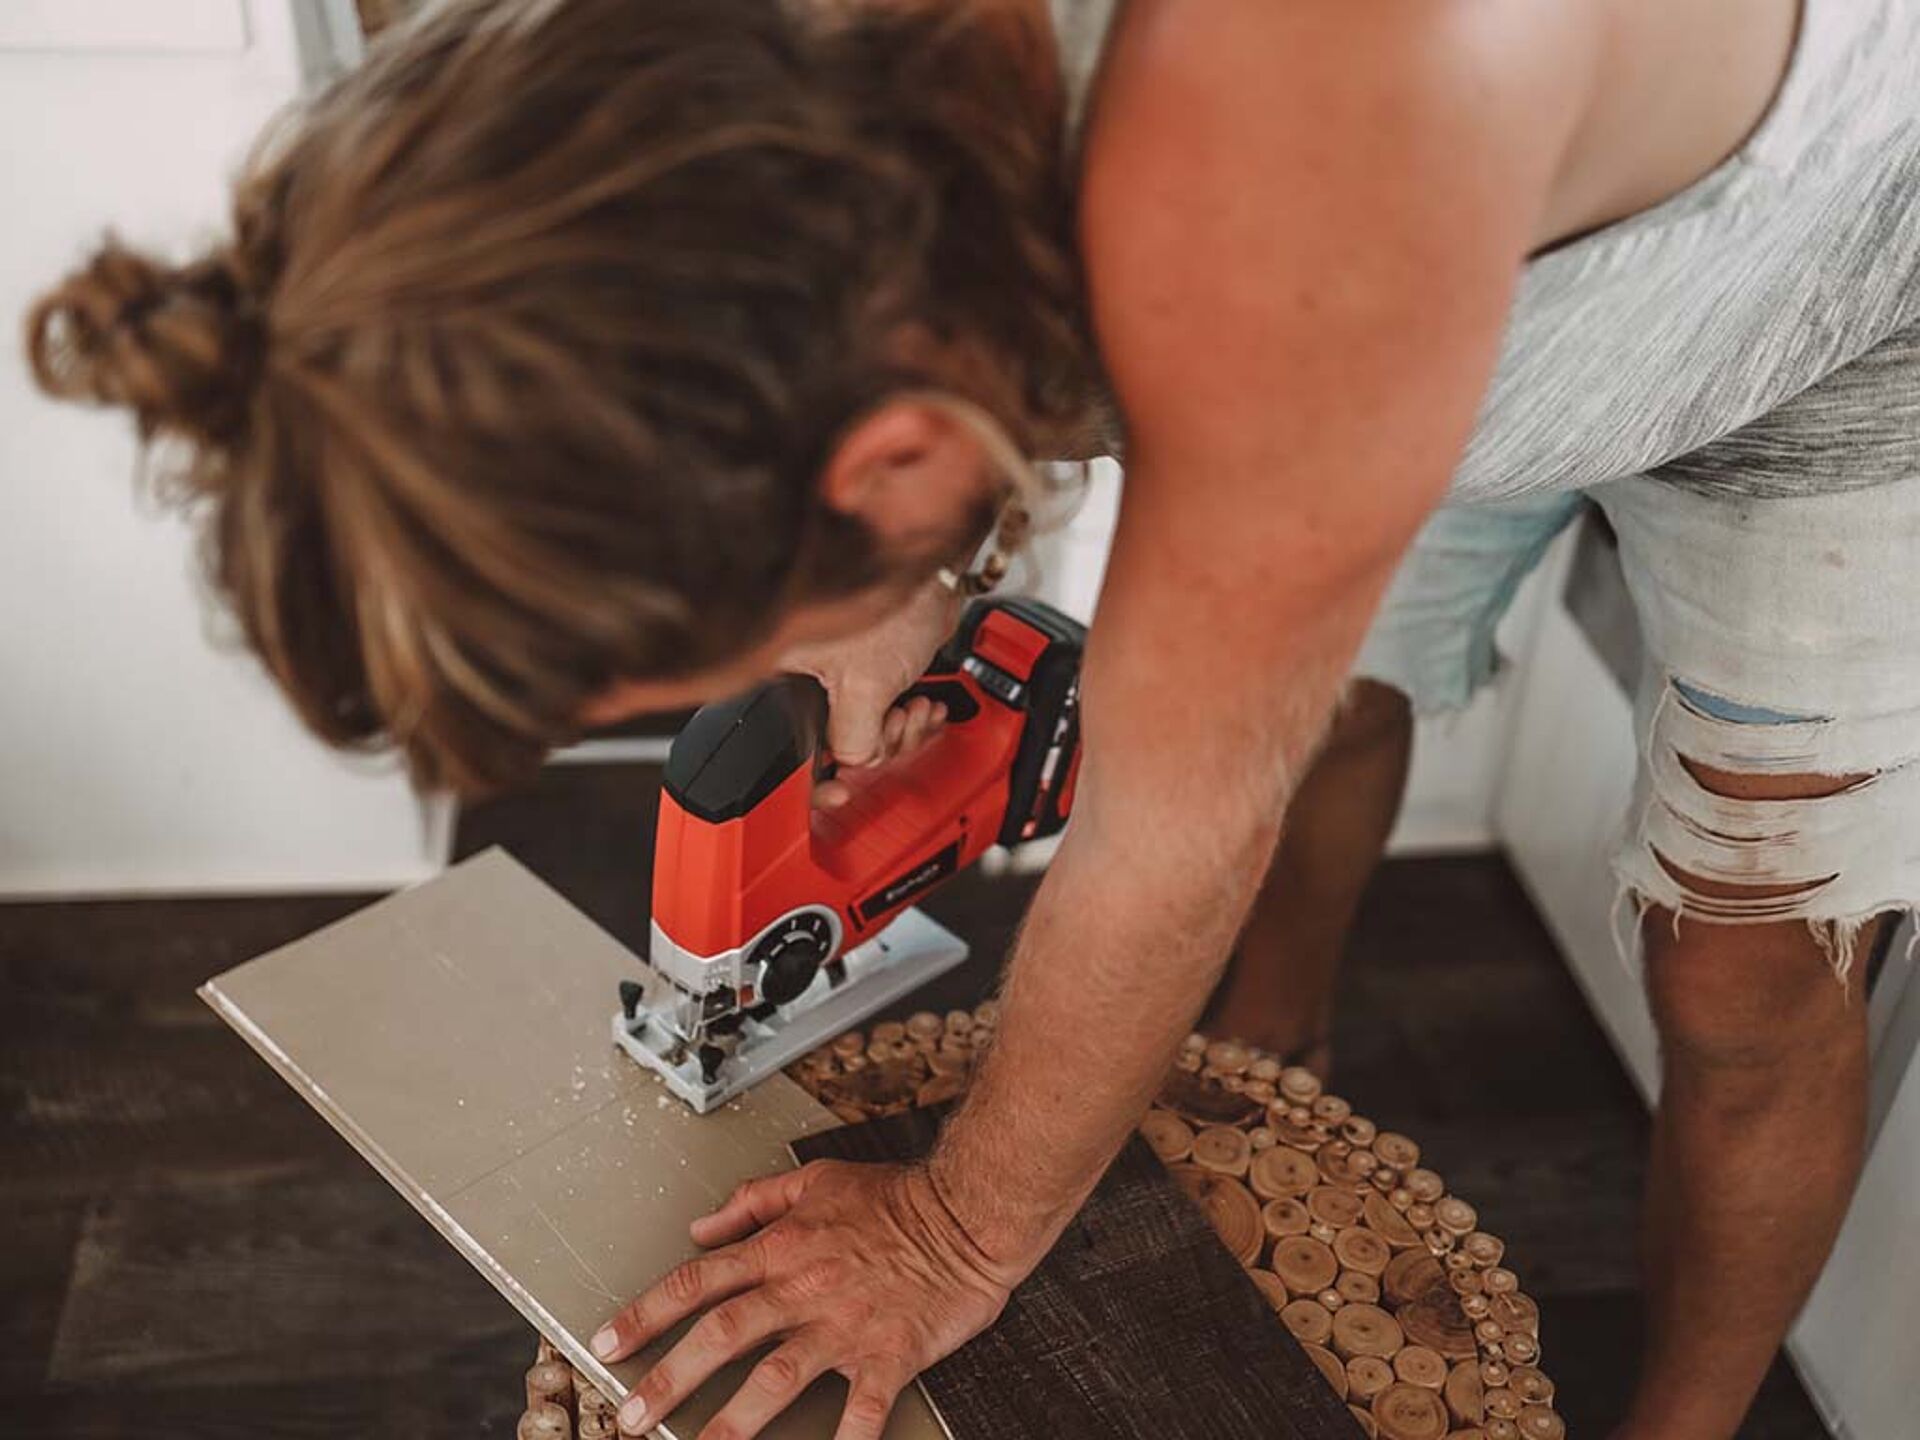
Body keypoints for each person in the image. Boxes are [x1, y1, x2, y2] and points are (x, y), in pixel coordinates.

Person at [24, 0, 1920, 1435]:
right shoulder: (678, 96)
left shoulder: (1286, 151)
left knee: (1741, 977)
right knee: (1337, 713)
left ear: (900, 451)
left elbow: (1178, 822)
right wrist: (882, 584)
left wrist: (952, 1239)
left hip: (1822, 304)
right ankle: (1274, 1054)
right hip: (1414, 274)